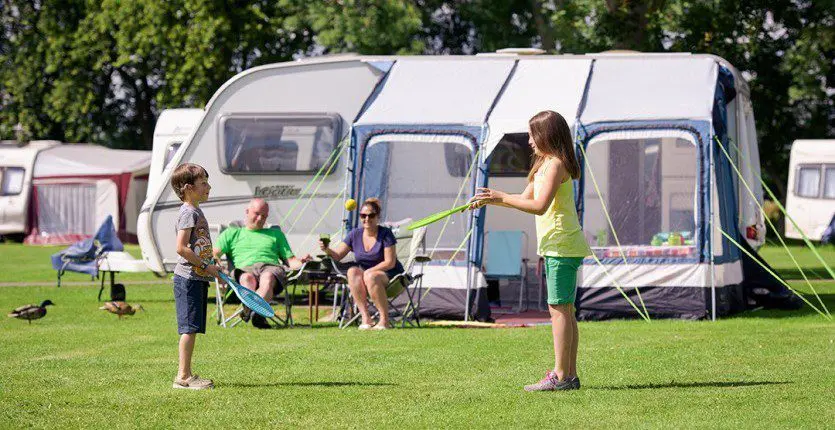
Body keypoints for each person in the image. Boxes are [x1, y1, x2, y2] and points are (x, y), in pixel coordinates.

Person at [469, 110, 591, 391]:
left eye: (533, 135)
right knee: (565, 310)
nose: (529, 141)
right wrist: (491, 199)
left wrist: (500, 197)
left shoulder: (556, 165)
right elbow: (524, 198)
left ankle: (560, 376)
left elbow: (539, 206)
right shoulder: (544, 164)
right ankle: (569, 376)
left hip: (562, 245)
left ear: (547, 135)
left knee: (559, 310)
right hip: (559, 246)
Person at [213, 198, 310, 329]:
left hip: (270, 267)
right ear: (247, 211)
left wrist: (301, 262)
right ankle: (258, 313)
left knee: (268, 277)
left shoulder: (276, 234)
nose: (260, 218)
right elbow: (215, 253)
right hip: (244, 269)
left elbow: (291, 260)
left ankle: (251, 310)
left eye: (264, 216)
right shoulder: (232, 233)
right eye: (257, 214)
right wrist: (216, 262)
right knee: (247, 278)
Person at [170, 163, 221, 390]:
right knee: (188, 328)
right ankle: (183, 377)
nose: (208, 187)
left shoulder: (196, 211)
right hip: (188, 279)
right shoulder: (189, 212)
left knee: (193, 327)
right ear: (188, 188)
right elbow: (181, 248)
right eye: (204, 183)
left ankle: (187, 374)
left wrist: (211, 263)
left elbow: (198, 245)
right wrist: (205, 266)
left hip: (196, 277)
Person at [319, 198, 403, 330]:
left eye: (371, 215)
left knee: (371, 276)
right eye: (363, 215)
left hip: (391, 276)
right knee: (352, 271)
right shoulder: (355, 234)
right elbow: (338, 255)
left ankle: (384, 320)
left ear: (378, 217)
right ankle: (365, 318)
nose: (367, 219)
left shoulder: (386, 233)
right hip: (366, 278)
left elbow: (390, 262)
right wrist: (327, 249)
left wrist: (370, 271)